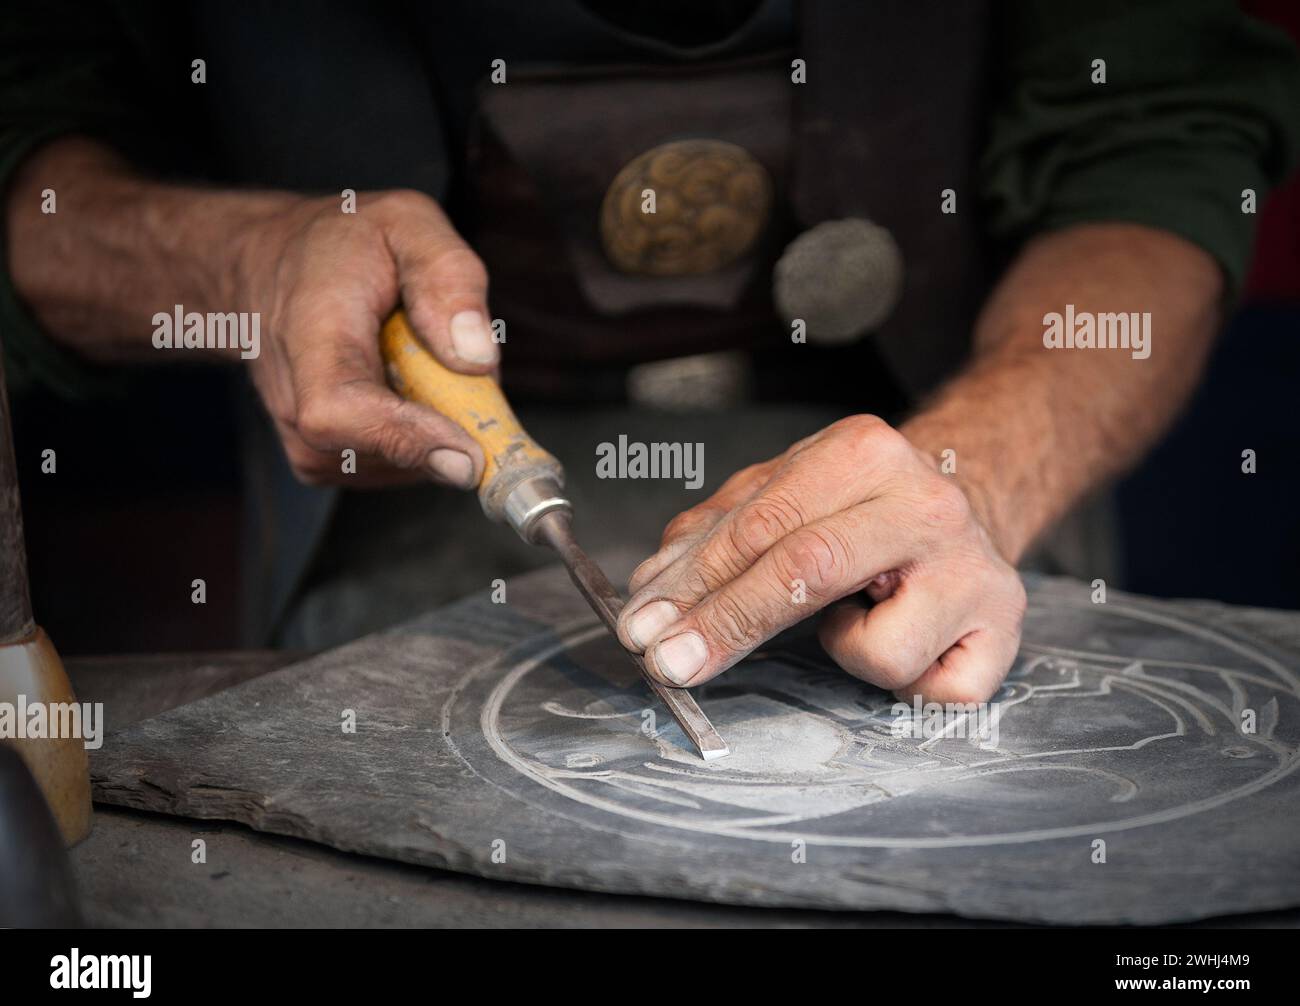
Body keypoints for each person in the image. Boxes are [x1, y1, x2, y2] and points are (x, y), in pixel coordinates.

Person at [3, 1, 1298, 703]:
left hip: (948, 441)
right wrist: (239, 260)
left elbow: (1160, 145)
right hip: (421, 497)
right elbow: (27, 129)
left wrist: (981, 468)